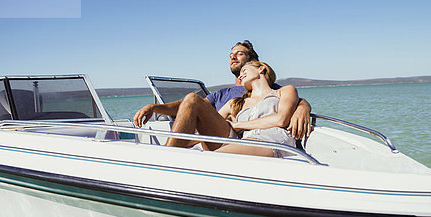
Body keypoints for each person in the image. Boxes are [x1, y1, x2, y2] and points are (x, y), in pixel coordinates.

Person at [132, 40, 311, 149]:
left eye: (239, 54)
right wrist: (155, 107)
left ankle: (166, 158)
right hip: (216, 133)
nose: (233, 57)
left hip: (239, 136)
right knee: (192, 100)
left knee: (192, 100)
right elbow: (189, 107)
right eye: (230, 55)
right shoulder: (223, 94)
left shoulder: (267, 87)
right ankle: (168, 155)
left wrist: (303, 107)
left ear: (254, 62)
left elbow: (289, 102)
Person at [215, 61, 297, 157]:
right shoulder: (236, 103)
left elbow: (281, 119)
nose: (240, 76)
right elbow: (212, 123)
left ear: (261, 69)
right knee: (193, 99)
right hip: (245, 141)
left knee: (215, 157)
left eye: (244, 71)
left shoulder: (283, 91)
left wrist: (237, 125)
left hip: (273, 139)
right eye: (239, 74)